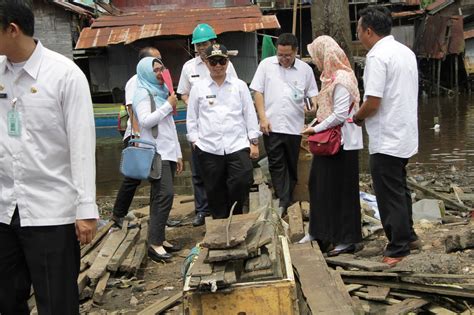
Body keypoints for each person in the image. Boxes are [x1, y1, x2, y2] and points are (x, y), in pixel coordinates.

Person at [0, 1, 98, 313]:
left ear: (12, 30)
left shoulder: (64, 75)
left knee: (56, 302)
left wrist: (86, 209)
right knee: (6, 298)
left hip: (51, 212)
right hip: (4, 210)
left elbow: (82, 145)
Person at [353, 6, 419, 266]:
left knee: (388, 193)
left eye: (358, 30)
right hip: (404, 132)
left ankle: (398, 246)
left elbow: (373, 102)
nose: (358, 35)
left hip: (387, 135)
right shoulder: (405, 52)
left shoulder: (377, 57)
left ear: (369, 31)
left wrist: (357, 118)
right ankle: (409, 234)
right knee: (399, 187)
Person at [301, 36, 363, 256]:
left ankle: (347, 239)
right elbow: (327, 112)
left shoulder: (342, 80)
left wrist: (315, 129)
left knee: (343, 192)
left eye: (316, 55)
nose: (315, 60)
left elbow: (339, 114)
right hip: (329, 142)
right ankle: (319, 231)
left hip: (343, 143)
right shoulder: (328, 79)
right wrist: (314, 122)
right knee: (318, 186)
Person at [186, 44, 261, 218]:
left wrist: (254, 141)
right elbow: (192, 118)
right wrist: (195, 142)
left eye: (222, 61)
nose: (218, 65)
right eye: (213, 62)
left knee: (242, 180)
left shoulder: (240, 86)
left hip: (237, 144)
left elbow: (249, 113)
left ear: (227, 62)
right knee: (213, 188)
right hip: (209, 147)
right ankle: (219, 225)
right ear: (206, 63)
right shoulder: (199, 88)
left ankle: (236, 215)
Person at [250, 33, 319, 215]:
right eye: (280, 55)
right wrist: (262, 117)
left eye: (287, 55)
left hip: (294, 127)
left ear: (295, 52)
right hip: (271, 125)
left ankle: (287, 197)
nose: (284, 59)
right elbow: (258, 92)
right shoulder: (266, 66)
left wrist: (312, 107)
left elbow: (313, 95)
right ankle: (283, 199)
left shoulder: (305, 70)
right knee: (276, 163)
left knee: (291, 164)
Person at [177, 23, 238, 226]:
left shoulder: (226, 64)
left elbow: (236, 91)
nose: (202, 48)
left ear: (214, 42)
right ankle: (202, 210)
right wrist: (193, 103)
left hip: (224, 126)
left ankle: (226, 207)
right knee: (199, 172)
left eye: (205, 43)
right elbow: (183, 93)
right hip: (200, 127)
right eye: (198, 45)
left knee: (224, 169)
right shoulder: (189, 68)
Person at [133, 56, 183, 262]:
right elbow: (144, 121)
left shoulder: (162, 93)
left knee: (159, 198)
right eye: (155, 70)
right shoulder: (143, 94)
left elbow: (170, 128)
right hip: (155, 153)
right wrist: (167, 106)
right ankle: (154, 243)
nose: (159, 74)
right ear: (145, 72)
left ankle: (159, 239)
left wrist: (178, 153)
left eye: (161, 69)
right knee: (165, 196)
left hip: (167, 152)